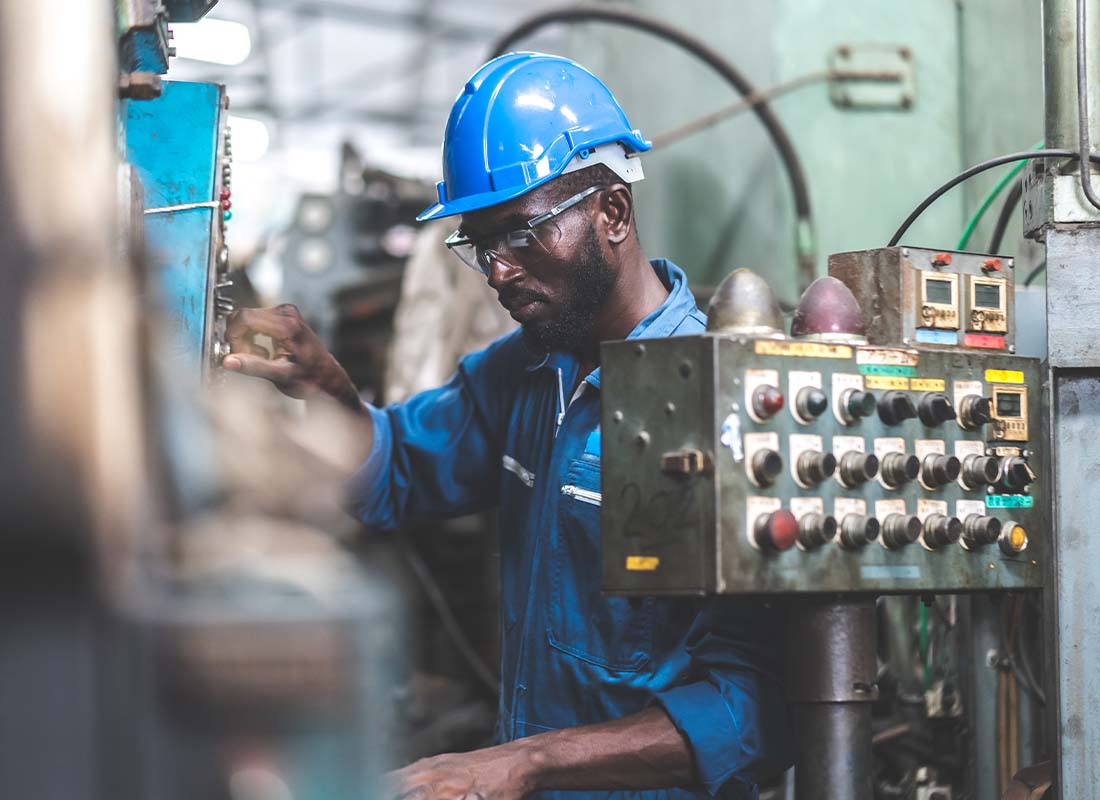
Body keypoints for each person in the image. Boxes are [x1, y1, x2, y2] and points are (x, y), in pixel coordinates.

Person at [223, 52, 790, 800]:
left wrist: (525, 761)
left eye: (523, 234)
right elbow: (394, 469)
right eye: (481, 246)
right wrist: (326, 386)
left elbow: (754, 714)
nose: (497, 272)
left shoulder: (724, 401)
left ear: (612, 212)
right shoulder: (525, 374)